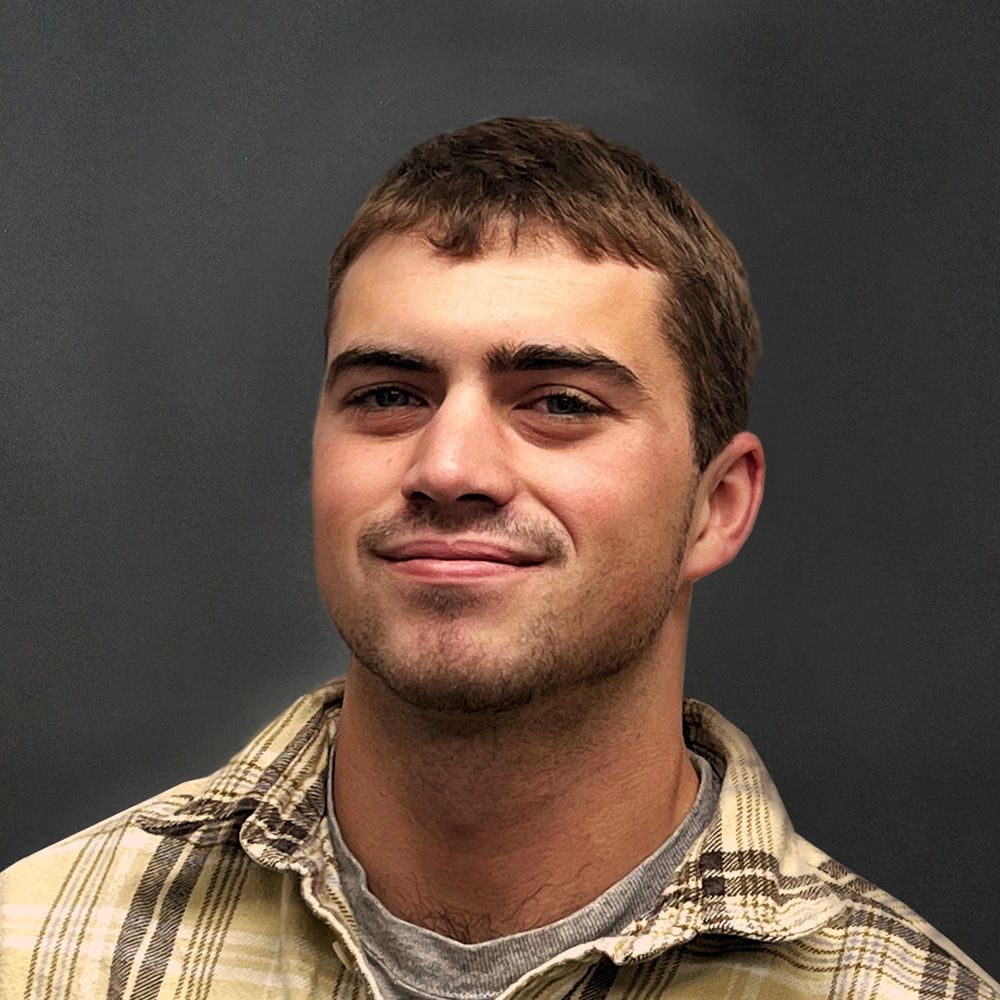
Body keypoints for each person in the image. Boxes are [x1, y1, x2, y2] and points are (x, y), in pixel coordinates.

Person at [1, 116, 995, 1000]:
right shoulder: (35, 955)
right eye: (388, 394)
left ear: (715, 506)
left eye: (560, 402)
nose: (447, 466)